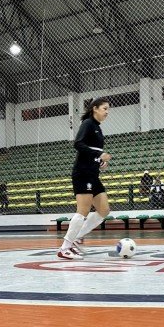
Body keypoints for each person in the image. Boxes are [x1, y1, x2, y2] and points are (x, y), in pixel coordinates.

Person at [57, 97, 112, 259]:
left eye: (108, 109)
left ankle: (74, 239)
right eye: (104, 108)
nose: (107, 112)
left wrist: (99, 161)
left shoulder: (97, 128)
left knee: (104, 210)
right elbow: (78, 144)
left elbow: (92, 151)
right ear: (95, 108)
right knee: (83, 211)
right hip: (83, 173)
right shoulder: (88, 123)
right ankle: (65, 247)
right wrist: (99, 154)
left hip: (93, 173)